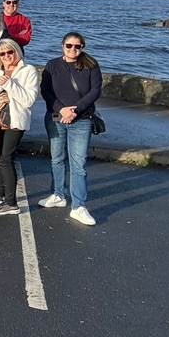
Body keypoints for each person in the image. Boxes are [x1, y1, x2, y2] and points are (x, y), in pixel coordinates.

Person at [39, 31, 103, 226]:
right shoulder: (52, 65)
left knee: (78, 164)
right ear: (62, 46)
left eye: (77, 46)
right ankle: (58, 194)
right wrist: (61, 109)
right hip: (56, 117)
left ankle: (78, 206)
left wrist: (75, 110)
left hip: (81, 120)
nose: (73, 49)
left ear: (82, 47)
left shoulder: (91, 65)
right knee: (56, 158)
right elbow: (45, 91)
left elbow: (95, 91)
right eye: (69, 46)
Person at [0, 38, 38, 215]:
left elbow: (28, 100)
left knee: (5, 158)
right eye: (2, 53)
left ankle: (11, 203)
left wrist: (9, 84)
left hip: (13, 121)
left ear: (16, 52)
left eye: (10, 52)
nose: (6, 56)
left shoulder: (28, 71)